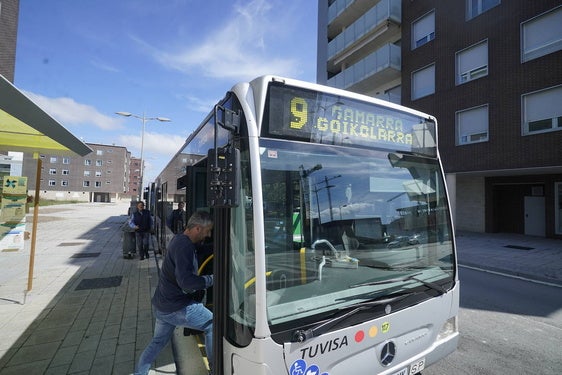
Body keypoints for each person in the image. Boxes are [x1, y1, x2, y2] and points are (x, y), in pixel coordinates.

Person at [135, 211, 214, 375]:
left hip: (163, 305)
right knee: (213, 325)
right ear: (198, 229)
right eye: (208, 231)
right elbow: (187, 283)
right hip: (178, 307)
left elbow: (199, 250)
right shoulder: (184, 246)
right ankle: (216, 369)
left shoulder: (180, 240)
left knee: (157, 342)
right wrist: (213, 279)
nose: (209, 234)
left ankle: (139, 373)